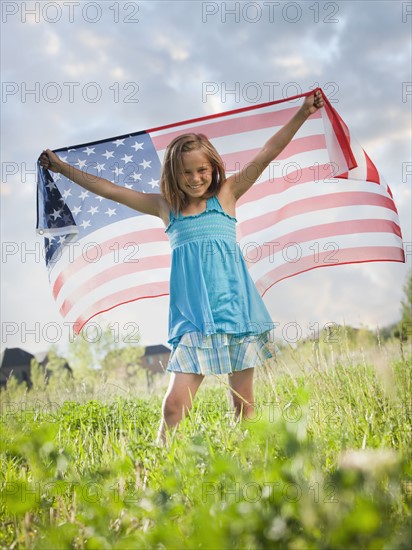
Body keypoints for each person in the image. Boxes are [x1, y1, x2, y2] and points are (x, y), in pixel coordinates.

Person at [39, 90, 324, 444]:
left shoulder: (227, 196)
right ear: (174, 175)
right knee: (174, 407)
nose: (194, 178)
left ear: (213, 168)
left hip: (237, 313)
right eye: (186, 172)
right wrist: (62, 167)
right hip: (193, 321)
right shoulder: (165, 208)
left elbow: (268, 152)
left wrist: (302, 113)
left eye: (202, 169)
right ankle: (159, 467)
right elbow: (111, 191)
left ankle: (249, 469)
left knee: (244, 409)